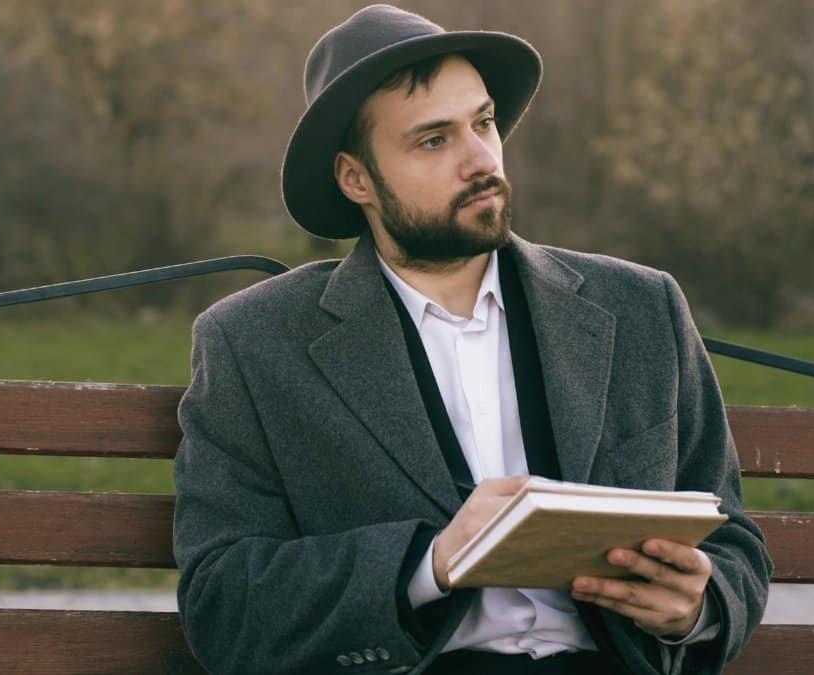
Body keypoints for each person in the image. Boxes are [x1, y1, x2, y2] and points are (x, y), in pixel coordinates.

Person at [172, 5, 771, 674]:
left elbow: (734, 544)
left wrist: (697, 606)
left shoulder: (639, 309)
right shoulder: (252, 343)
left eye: (483, 123)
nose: (482, 159)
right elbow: (221, 600)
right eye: (434, 140)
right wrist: (427, 563)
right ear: (356, 178)